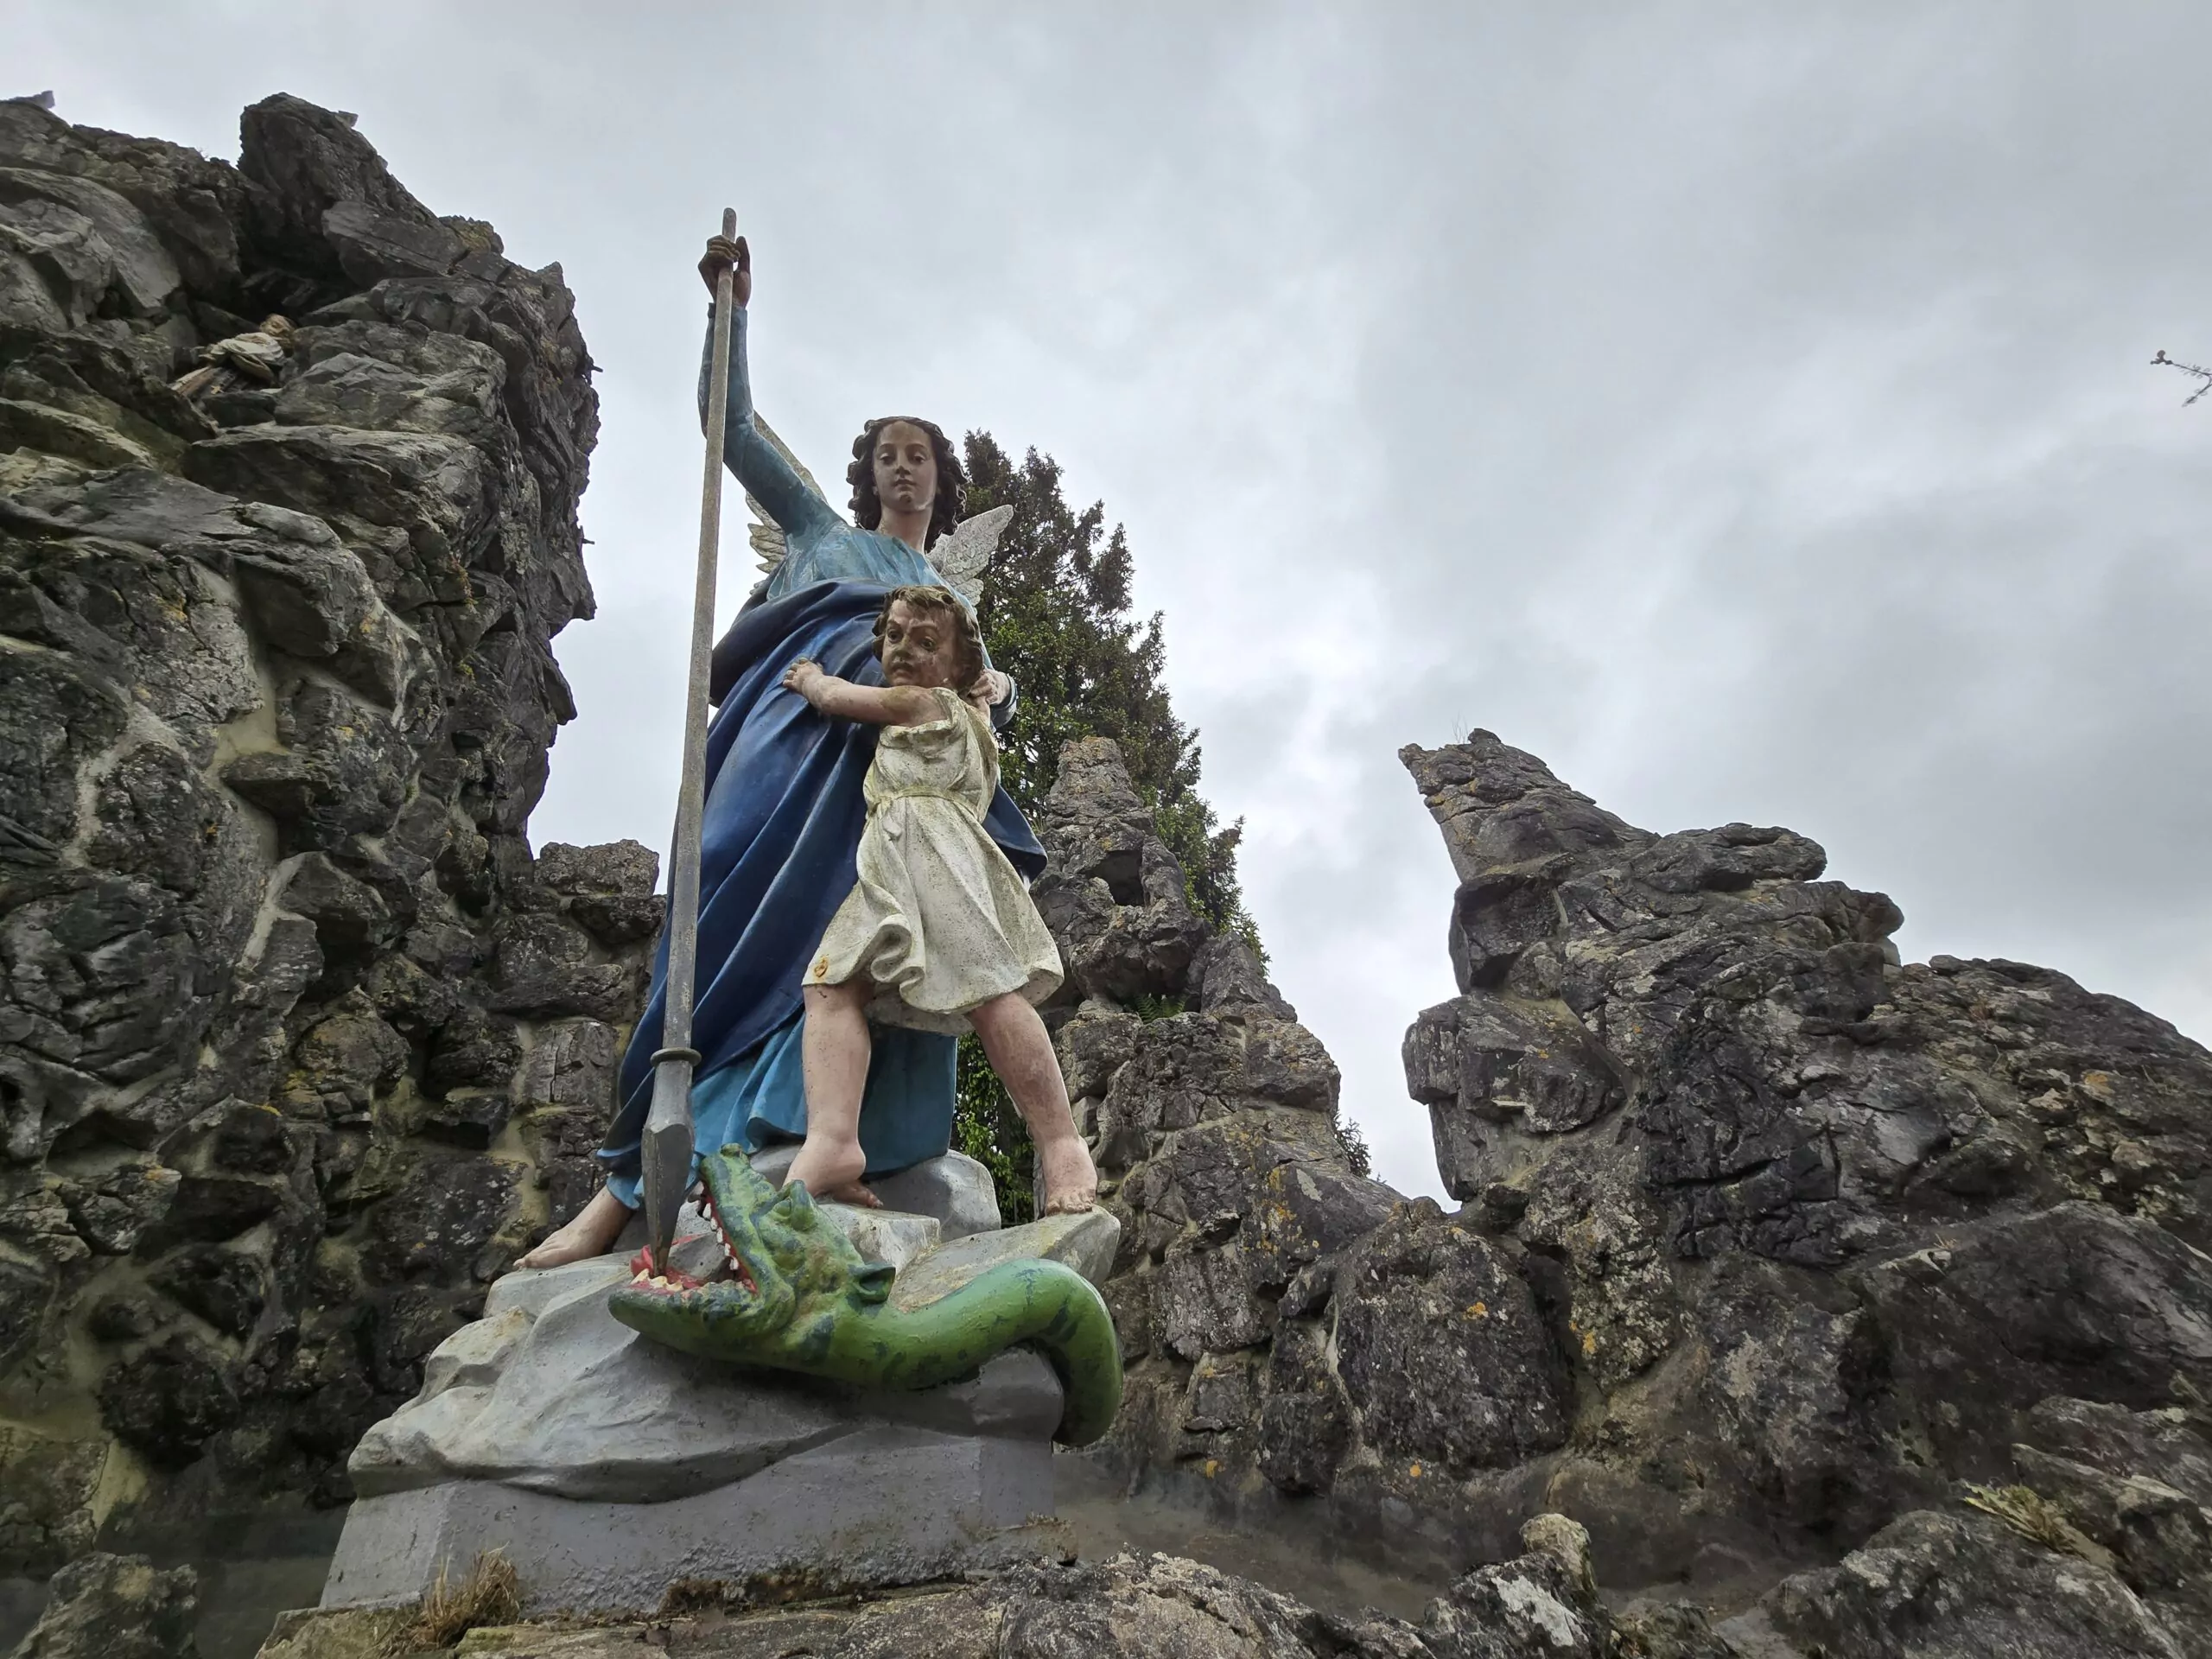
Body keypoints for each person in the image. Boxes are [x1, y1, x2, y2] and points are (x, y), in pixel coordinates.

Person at [518, 235, 1049, 1268]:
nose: (902, 465)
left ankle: (827, 1144)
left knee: (875, 954)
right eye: (886, 452)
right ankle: (629, 1181)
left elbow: (970, 702)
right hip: (790, 735)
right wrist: (731, 311)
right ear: (862, 477)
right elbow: (731, 428)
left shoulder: (950, 597)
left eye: (920, 454)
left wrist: (999, 689)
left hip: (886, 782)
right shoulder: (817, 535)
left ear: (942, 480)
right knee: (717, 917)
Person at [780, 587, 1096, 1213]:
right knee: (831, 985)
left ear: (955, 667)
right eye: (894, 635)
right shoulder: (974, 719)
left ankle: (1062, 1145)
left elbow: (844, 700)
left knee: (990, 990)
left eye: (926, 642)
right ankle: (835, 1140)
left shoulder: (921, 703)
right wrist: (990, 693)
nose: (902, 650)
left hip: (932, 850)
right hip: (898, 863)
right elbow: (987, 701)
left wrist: (812, 678)